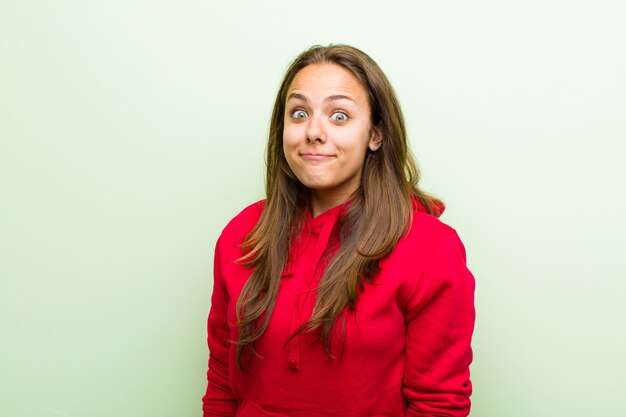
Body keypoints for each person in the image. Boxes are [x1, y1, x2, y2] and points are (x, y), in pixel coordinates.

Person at [202, 44, 475, 417]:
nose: (314, 131)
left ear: (375, 135)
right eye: (299, 113)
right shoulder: (242, 235)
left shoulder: (429, 248)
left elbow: (438, 406)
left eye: (339, 116)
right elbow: (222, 381)